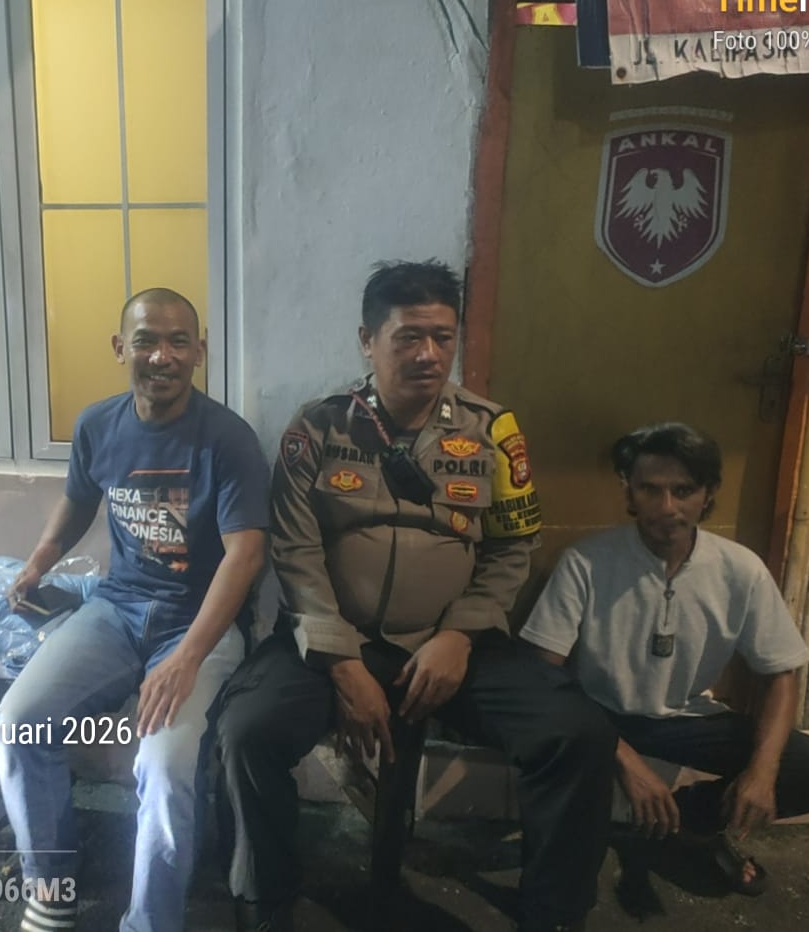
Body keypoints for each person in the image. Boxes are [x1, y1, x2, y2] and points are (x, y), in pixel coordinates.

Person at [216, 260, 617, 932]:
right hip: (334, 641)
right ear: (367, 340)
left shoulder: (493, 431)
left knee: (577, 735)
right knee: (246, 731)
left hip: (455, 647)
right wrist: (342, 663)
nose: (429, 354)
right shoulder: (318, 428)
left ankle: (554, 913)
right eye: (408, 337)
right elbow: (295, 552)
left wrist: (460, 636)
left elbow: (512, 547)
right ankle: (266, 898)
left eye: (442, 336)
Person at [0, 288, 269, 932]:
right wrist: (40, 559)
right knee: (17, 722)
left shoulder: (228, 440)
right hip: (116, 610)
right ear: (121, 348)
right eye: (146, 340)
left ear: (200, 352)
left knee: (164, 767)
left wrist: (187, 659)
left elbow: (246, 555)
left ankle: (151, 921)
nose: (161, 356)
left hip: (198, 626)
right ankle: (51, 887)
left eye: (178, 342)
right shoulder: (98, 425)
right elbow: (79, 499)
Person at [520, 422, 809, 896]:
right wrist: (625, 760)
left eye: (683, 490)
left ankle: (688, 822)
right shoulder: (586, 563)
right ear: (629, 492)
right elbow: (542, 674)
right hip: (595, 716)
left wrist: (762, 773)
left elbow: (782, 673)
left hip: (684, 718)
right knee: (563, 885)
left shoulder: (740, 570)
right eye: (650, 489)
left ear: (708, 493)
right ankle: (592, 842)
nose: (666, 507)